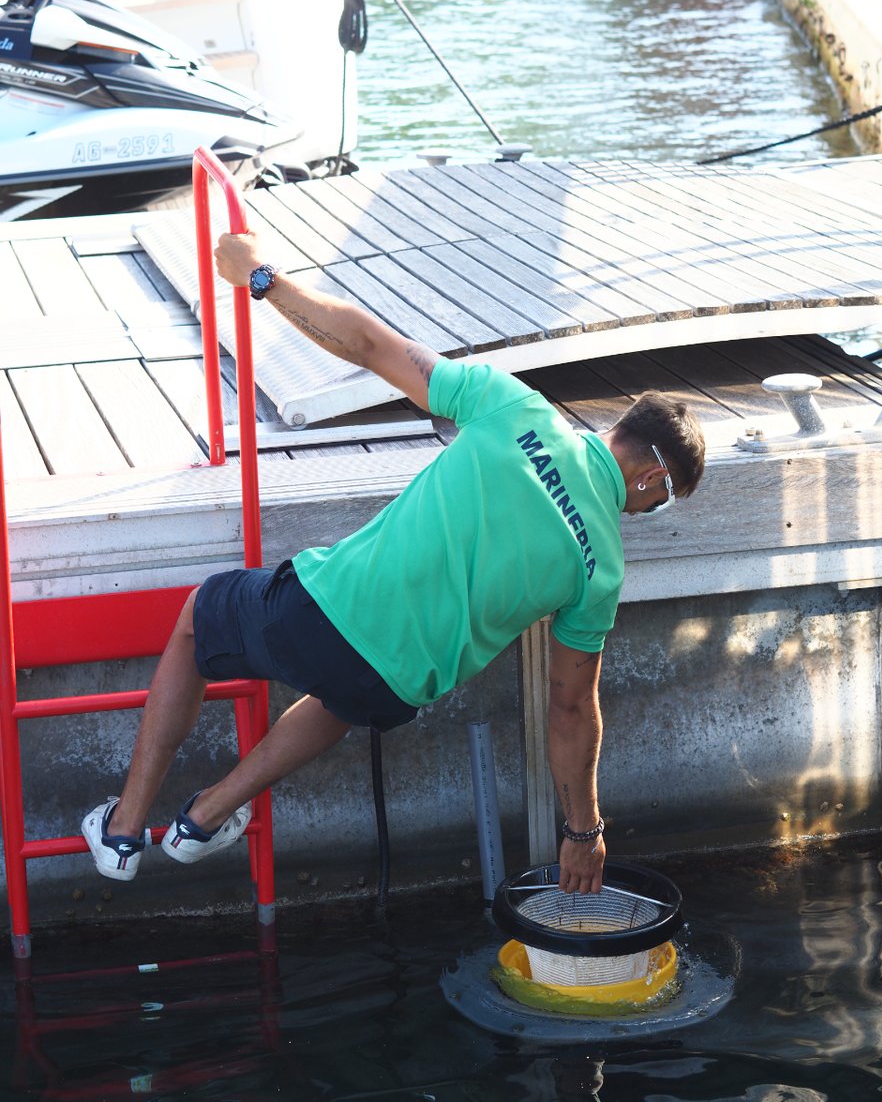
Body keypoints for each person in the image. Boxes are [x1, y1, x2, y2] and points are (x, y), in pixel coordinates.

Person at [82, 232, 705, 895]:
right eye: (664, 501)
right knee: (345, 693)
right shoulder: (599, 569)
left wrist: (260, 277)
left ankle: (124, 831)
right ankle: (202, 818)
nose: (651, 511)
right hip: (393, 690)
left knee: (197, 617)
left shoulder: (515, 406)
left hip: (320, 613)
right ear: (649, 481)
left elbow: (371, 344)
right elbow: (571, 709)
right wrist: (585, 831)